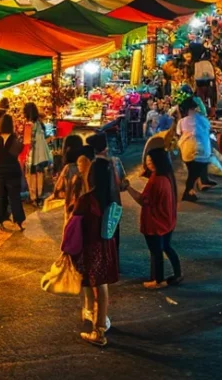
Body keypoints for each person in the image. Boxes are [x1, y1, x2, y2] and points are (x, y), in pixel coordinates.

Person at [74, 158, 121, 347]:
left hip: (91, 246)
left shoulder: (86, 200)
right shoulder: (112, 197)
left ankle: (99, 330)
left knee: (94, 284)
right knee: (101, 285)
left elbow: (75, 225)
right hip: (106, 245)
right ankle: (100, 323)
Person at [124, 147, 183, 289]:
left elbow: (143, 200)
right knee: (167, 247)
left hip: (155, 221)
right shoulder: (167, 175)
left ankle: (158, 280)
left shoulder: (156, 180)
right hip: (167, 219)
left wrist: (128, 187)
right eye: (147, 160)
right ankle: (178, 274)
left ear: (158, 161)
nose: (148, 162)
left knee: (156, 252)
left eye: (150, 160)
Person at [0, 114, 26, 231]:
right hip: (12, 172)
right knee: (14, 197)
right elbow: (17, 154)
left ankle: (0, 220)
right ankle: (19, 221)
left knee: (0, 197)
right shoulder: (16, 140)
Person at [177, 99, 213, 202]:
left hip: (187, 152)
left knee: (192, 173)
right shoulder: (203, 119)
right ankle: (189, 191)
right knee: (194, 174)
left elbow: (179, 133)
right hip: (203, 152)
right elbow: (208, 129)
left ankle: (190, 192)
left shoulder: (182, 121)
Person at [23, 102, 52, 208]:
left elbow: (27, 142)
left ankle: (33, 197)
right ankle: (39, 196)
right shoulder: (40, 123)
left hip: (33, 154)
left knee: (31, 175)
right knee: (39, 174)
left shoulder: (28, 125)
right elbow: (45, 137)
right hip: (42, 155)